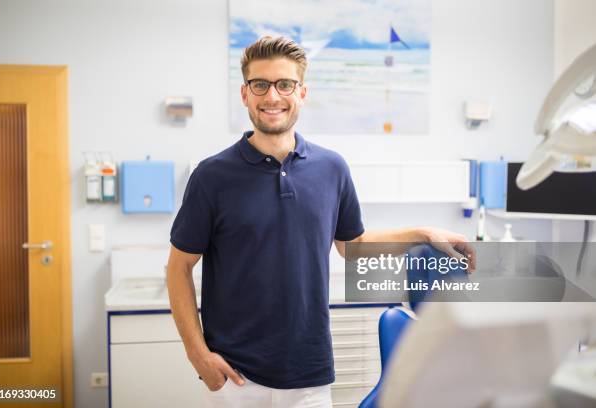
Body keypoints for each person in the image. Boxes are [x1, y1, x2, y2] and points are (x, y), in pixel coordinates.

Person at [167, 36, 475, 408]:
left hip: (309, 376)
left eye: (285, 84)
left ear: (302, 92)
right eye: (260, 84)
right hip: (235, 378)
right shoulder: (212, 176)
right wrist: (198, 355)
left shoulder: (331, 168)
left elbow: (352, 245)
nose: (272, 96)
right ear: (245, 94)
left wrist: (422, 234)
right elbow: (178, 268)